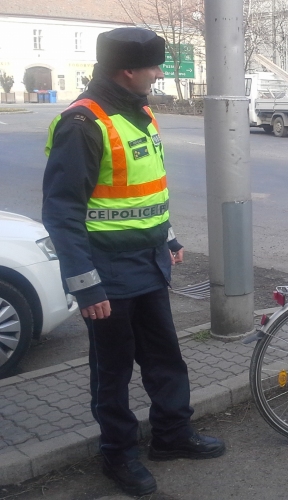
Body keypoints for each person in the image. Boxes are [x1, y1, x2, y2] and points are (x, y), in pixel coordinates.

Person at [42, 28, 225, 496]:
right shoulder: (83, 123)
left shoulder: (140, 112)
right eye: (153, 66)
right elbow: (62, 211)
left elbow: (144, 190)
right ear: (128, 70)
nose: (158, 74)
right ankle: (118, 454)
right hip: (106, 273)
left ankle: (171, 435)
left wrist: (169, 236)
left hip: (147, 263)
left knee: (165, 357)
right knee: (113, 370)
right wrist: (86, 285)